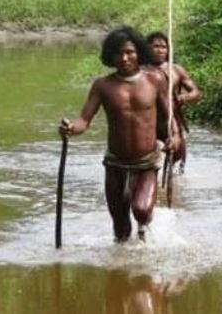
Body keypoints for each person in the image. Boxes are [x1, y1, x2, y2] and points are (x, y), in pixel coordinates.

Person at [59, 27, 181, 242]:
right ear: (110, 56)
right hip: (115, 163)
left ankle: (145, 233)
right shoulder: (103, 86)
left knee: (141, 210)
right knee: (120, 226)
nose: (124, 58)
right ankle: (123, 265)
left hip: (146, 162)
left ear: (139, 53)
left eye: (129, 52)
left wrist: (175, 135)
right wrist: (71, 129)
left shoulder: (155, 80)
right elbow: (84, 120)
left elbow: (168, 116)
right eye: (118, 53)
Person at [146, 31, 203, 173]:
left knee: (177, 160)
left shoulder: (176, 70)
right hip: (148, 121)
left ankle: (175, 188)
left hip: (172, 120)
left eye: (163, 47)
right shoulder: (141, 71)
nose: (160, 50)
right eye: (156, 46)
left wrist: (182, 98)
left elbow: (196, 93)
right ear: (147, 49)